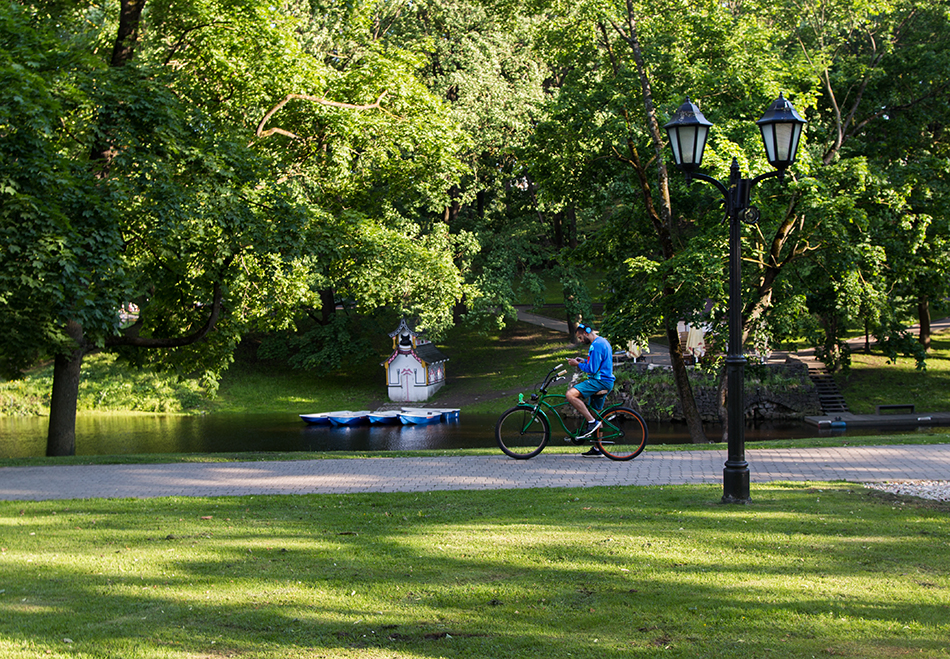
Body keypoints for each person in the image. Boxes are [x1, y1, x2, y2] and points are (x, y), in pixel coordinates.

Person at [566, 323, 615, 457]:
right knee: (596, 413)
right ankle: (598, 449)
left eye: (581, 338)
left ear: (586, 332)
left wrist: (577, 364)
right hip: (606, 381)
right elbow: (596, 364)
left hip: (599, 381)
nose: (581, 341)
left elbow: (592, 369)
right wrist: (583, 361)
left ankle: (591, 422)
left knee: (570, 395)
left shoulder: (596, 345)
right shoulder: (603, 341)